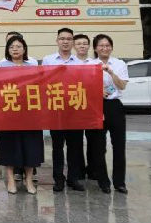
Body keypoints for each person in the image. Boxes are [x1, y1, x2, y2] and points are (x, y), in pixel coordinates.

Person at [0, 35, 43, 194]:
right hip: (8, 111)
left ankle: (28, 180)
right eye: (12, 47)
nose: (15, 49)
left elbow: (40, 87)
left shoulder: (33, 66)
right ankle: (10, 179)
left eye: (18, 46)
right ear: (7, 50)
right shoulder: (1, 66)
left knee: (30, 146)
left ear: (24, 49)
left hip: (30, 112)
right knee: (9, 145)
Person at [41, 28, 86, 192]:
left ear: (72, 42)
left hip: (75, 108)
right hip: (56, 109)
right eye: (62, 38)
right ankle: (58, 179)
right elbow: (43, 82)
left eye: (68, 39)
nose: (65, 41)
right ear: (57, 41)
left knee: (75, 146)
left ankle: (73, 178)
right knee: (57, 146)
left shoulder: (80, 62)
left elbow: (85, 84)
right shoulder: (48, 60)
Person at [87, 34, 129, 194]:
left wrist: (111, 73)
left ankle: (120, 182)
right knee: (98, 146)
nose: (104, 48)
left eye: (107, 45)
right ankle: (103, 181)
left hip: (115, 106)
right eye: (101, 45)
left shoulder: (119, 64)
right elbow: (84, 86)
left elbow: (122, 86)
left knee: (119, 145)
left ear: (111, 47)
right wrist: (97, 91)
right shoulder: (89, 65)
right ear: (95, 48)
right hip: (96, 106)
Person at [73, 34, 96, 178]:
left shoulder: (95, 63)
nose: (82, 46)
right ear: (74, 46)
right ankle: (79, 170)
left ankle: (93, 169)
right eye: (79, 43)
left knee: (93, 139)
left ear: (89, 46)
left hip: (92, 105)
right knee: (76, 140)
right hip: (75, 105)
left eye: (85, 43)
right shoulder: (70, 63)